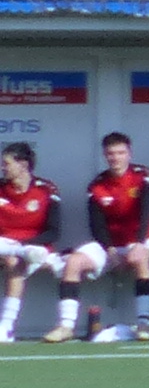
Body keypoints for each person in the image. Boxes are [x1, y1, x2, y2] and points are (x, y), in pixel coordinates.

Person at [75, 132, 149, 339]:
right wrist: (110, 251)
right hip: (112, 245)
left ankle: (144, 324)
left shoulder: (144, 176)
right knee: (74, 262)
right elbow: (96, 224)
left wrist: (139, 243)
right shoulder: (97, 184)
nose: (115, 158)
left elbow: (147, 212)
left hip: (143, 238)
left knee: (140, 258)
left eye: (120, 153)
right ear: (105, 155)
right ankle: (65, 325)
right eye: (111, 154)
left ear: (129, 154)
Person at [0, 143, 73, 341]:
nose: (3, 168)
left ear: (23, 165)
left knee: (14, 260)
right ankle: (6, 327)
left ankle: (5, 327)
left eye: (6, 163)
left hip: (36, 248)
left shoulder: (46, 189)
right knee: (11, 257)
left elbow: (53, 232)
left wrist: (24, 245)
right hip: (5, 246)